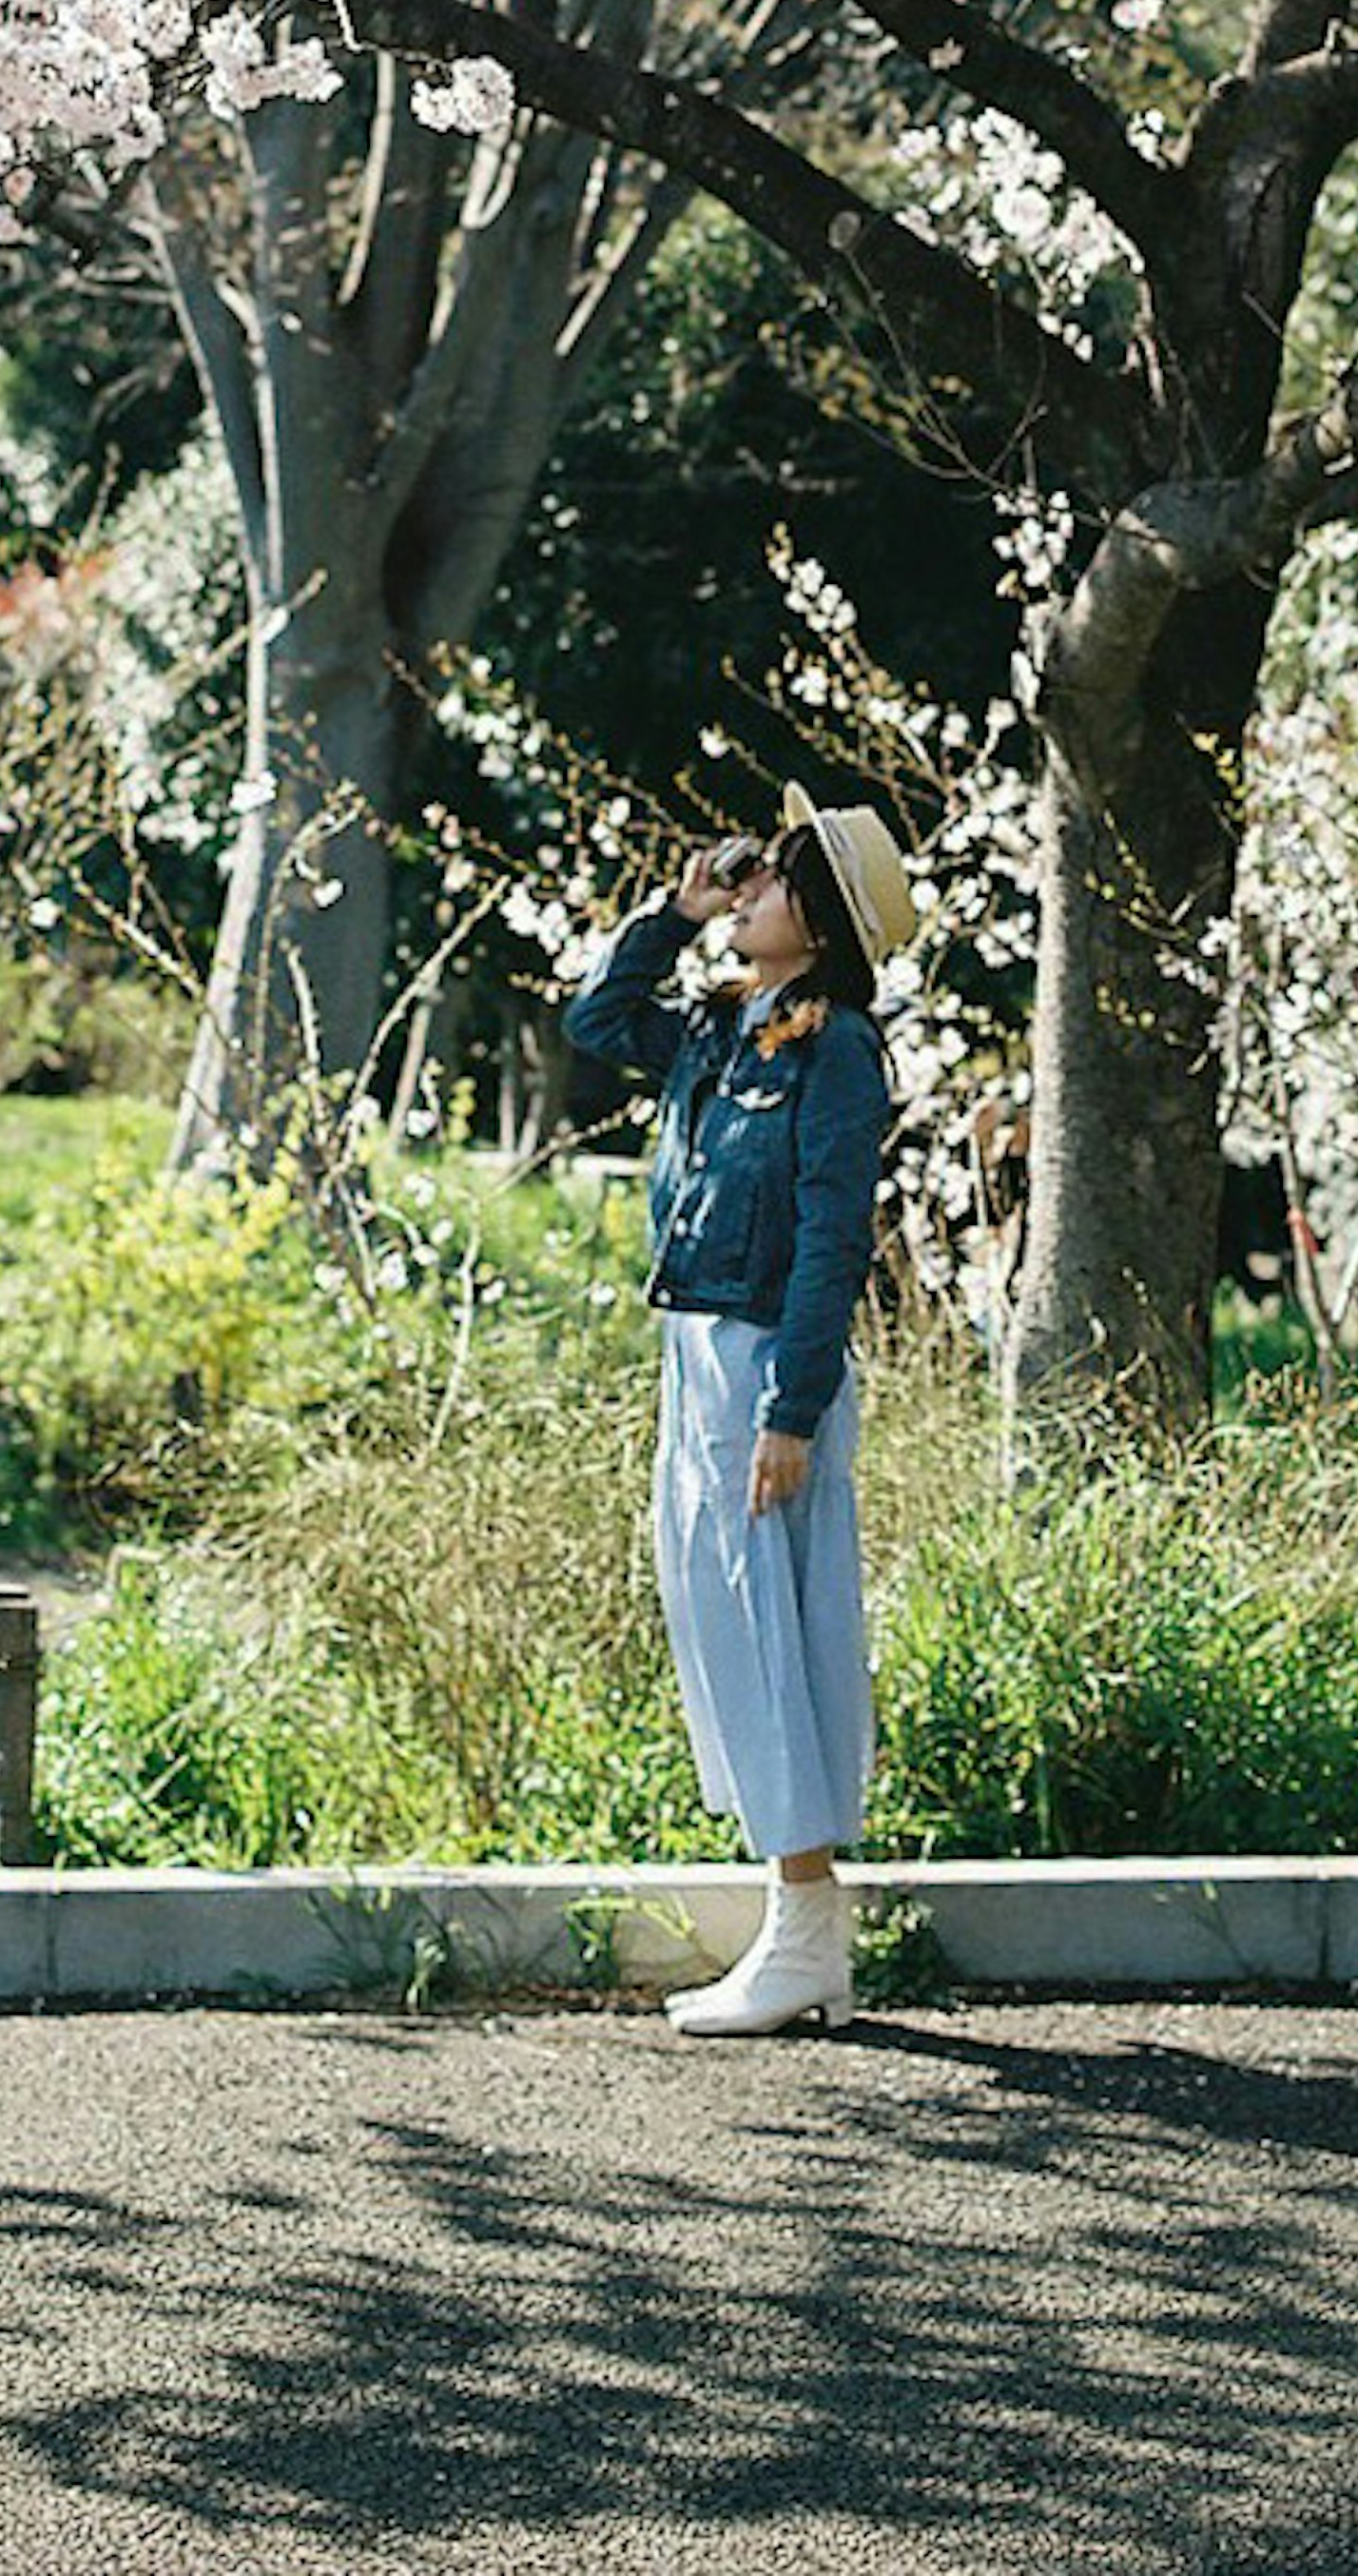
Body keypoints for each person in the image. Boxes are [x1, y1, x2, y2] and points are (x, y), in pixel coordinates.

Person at [564, 784, 918, 2038]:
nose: (746, 888)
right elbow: (597, 1016)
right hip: (698, 1355)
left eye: (767, 880)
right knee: (726, 1625)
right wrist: (674, 913)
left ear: (814, 919)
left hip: (768, 1359)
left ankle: (806, 1933)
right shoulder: (727, 1032)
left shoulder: (835, 1049)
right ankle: (797, 1931)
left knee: (778, 1634)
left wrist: (794, 1408)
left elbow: (834, 1237)